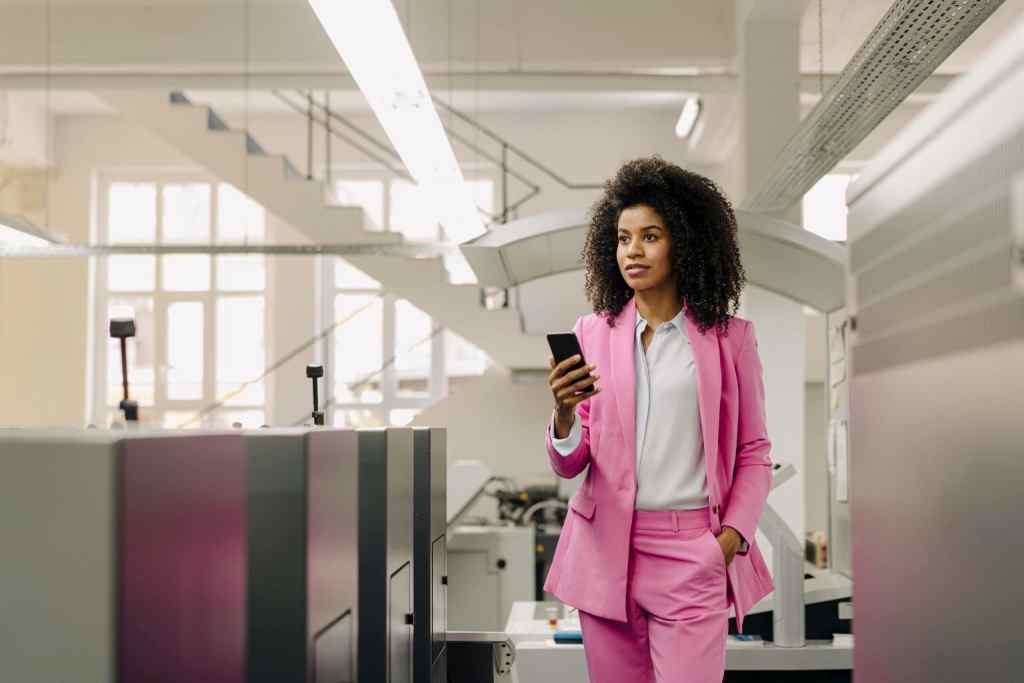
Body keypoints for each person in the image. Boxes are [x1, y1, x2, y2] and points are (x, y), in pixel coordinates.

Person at [544, 156, 774, 683]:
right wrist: (561, 415)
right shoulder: (592, 332)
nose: (633, 251)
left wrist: (730, 538)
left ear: (685, 243)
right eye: (624, 239)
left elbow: (754, 450)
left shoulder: (730, 338)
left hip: (692, 551)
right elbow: (571, 462)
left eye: (650, 236)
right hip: (606, 554)